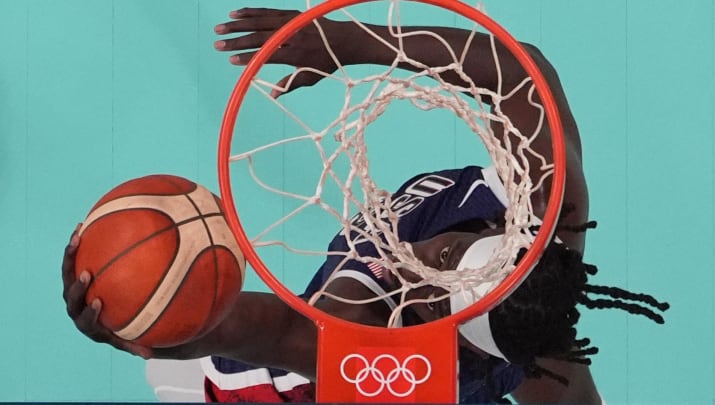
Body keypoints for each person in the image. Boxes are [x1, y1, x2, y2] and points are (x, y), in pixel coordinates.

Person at [62, 7, 669, 404]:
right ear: (511, 235)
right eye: (455, 247)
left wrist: (136, 324)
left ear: (441, 317)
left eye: (436, 276)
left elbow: (264, 328)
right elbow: (521, 71)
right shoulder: (549, 220)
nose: (424, 259)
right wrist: (353, 41)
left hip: (263, 387)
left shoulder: (365, 319)